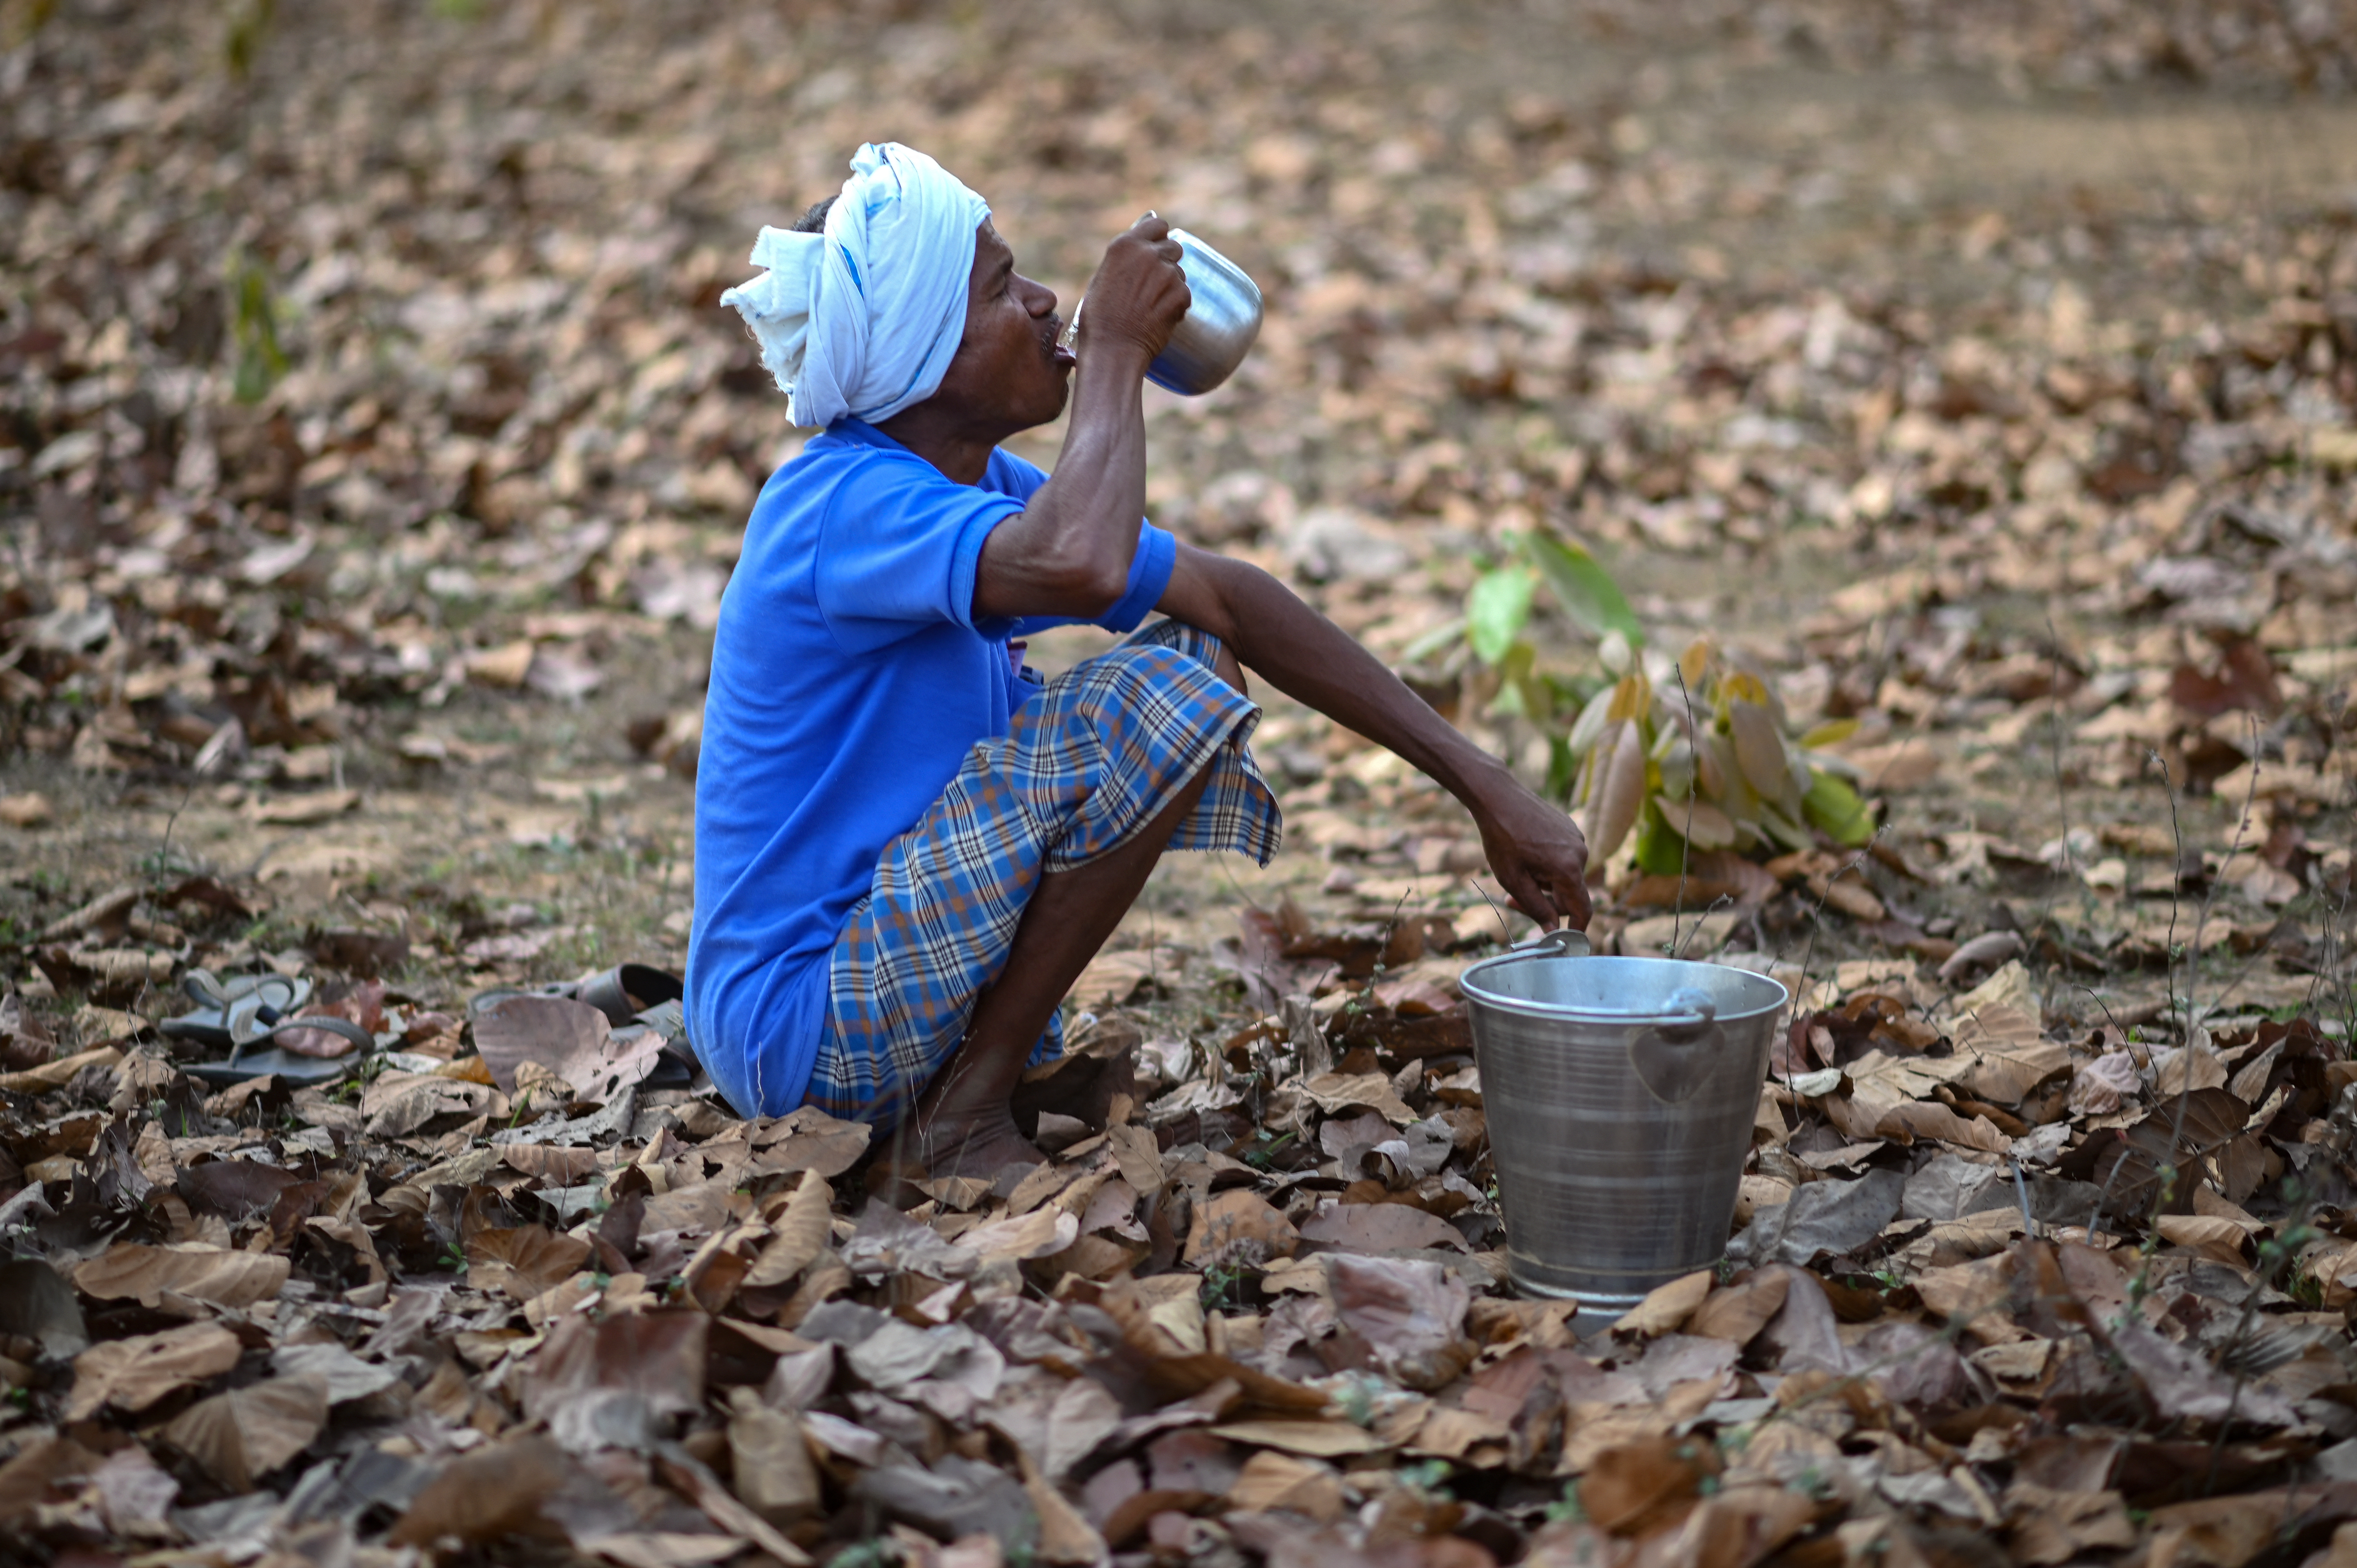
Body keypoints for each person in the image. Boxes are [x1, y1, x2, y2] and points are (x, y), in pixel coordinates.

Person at [689, 142, 1590, 1178]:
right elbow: (1081, 559)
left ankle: (970, 1083)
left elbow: (1230, 599)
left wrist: (1486, 787)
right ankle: (964, 1111)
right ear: (917, 355)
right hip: (802, 1031)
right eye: (995, 290)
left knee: (1201, 652)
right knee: (1158, 696)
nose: (1040, 303)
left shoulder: (974, 485)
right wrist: (1115, 350)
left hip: (877, 992)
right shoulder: (836, 504)